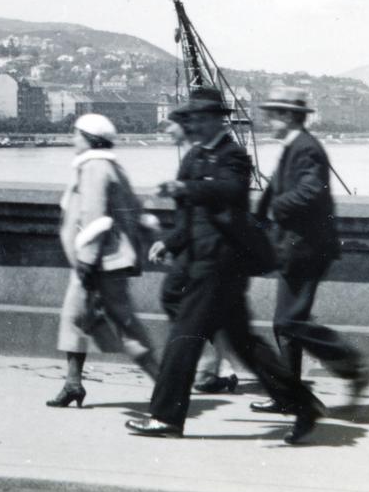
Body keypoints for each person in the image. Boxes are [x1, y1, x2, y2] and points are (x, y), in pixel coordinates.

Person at [126, 86, 324, 443]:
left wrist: (186, 189)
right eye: (193, 119)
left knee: (184, 338)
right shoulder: (194, 156)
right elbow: (190, 217)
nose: (196, 125)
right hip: (203, 261)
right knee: (245, 344)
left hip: (220, 262)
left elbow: (232, 191)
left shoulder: (233, 155)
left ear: (219, 120)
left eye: (203, 118)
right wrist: (171, 241)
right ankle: (303, 405)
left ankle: (165, 417)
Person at [251, 85, 369, 413]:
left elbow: (310, 191)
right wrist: (258, 217)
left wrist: (275, 208)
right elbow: (275, 188)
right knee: (287, 322)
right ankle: (289, 397)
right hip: (294, 247)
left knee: (289, 322)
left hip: (306, 248)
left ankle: (353, 367)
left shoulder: (307, 148)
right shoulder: (293, 147)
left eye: (273, 115)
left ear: (289, 116)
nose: (268, 121)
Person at [48, 113, 162, 407]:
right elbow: (134, 210)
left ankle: (167, 388)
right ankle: (73, 383)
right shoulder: (109, 166)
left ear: (89, 139)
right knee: (75, 318)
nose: (73, 139)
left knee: (125, 327)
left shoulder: (94, 167)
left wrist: (87, 261)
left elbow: (95, 218)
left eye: (76, 134)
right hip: (100, 260)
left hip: (100, 261)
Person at [157, 118, 238, 394]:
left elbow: (197, 210)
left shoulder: (200, 155)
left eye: (172, 124)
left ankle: (208, 362)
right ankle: (222, 367)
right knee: (209, 308)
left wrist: (170, 242)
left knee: (174, 297)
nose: (167, 129)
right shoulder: (197, 153)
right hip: (203, 244)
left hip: (204, 247)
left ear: (188, 126)